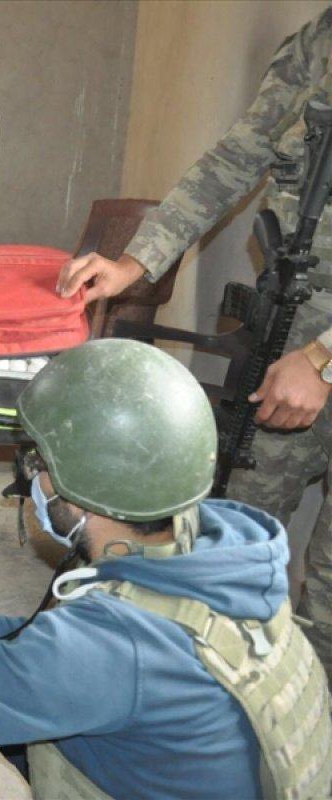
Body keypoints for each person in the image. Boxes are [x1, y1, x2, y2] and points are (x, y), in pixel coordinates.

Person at [0, 338, 332, 799]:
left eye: (37, 463)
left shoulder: (109, 650)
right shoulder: (222, 548)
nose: (30, 480)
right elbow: (51, 655)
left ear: (83, 495)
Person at [58, 8, 332, 678]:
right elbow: (237, 159)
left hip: (317, 350)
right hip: (293, 328)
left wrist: (326, 357)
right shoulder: (320, 38)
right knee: (240, 544)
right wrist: (135, 262)